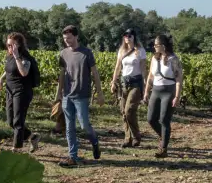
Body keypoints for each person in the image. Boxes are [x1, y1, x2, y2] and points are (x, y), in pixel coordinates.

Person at [55, 25, 105, 167]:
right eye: (65, 39)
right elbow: (61, 74)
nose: (67, 41)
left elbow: (95, 73)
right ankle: (73, 156)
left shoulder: (86, 53)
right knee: (69, 127)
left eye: (69, 38)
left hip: (82, 94)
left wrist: (100, 93)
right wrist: (59, 93)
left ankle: (94, 140)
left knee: (84, 125)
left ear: (76, 37)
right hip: (67, 95)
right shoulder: (63, 53)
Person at [0, 32, 39, 152]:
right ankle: (32, 136)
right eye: (8, 45)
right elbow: (9, 70)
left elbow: (23, 72)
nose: (9, 48)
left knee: (18, 121)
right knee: (10, 121)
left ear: (19, 45)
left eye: (12, 45)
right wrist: (0, 79)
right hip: (10, 90)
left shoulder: (25, 58)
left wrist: (16, 57)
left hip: (22, 91)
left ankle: (16, 148)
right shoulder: (9, 57)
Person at [144, 34, 183, 158]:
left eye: (157, 45)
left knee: (164, 120)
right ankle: (163, 136)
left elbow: (178, 79)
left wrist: (177, 96)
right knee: (151, 119)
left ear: (163, 46)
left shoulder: (173, 59)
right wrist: (146, 92)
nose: (154, 47)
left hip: (168, 91)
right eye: (154, 45)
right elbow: (151, 75)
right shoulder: (154, 59)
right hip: (156, 90)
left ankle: (163, 148)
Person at [110, 28, 147, 148]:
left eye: (130, 35)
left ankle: (136, 136)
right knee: (123, 112)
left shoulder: (140, 51)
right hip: (124, 83)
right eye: (125, 35)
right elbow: (117, 68)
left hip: (136, 83)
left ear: (134, 37)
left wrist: (146, 84)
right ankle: (128, 138)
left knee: (129, 110)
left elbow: (143, 69)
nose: (127, 37)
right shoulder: (121, 51)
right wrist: (113, 82)